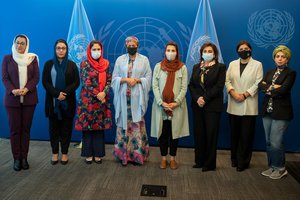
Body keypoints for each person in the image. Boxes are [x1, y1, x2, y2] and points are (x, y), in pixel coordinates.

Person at [111, 36, 152, 166]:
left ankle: (136, 156)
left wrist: (138, 80)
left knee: (136, 127)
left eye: (134, 44)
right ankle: (124, 156)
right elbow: (114, 79)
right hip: (123, 101)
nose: (131, 46)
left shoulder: (144, 60)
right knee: (123, 126)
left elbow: (148, 78)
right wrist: (125, 80)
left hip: (137, 100)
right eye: (129, 44)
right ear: (125, 45)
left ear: (138, 45)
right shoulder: (120, 60)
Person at [1, 34, 39, 171]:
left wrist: (27, 89)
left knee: (25, 130)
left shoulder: (32, 59)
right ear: (14, 43)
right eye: (17, 43)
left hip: (29, 99)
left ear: (27, 45)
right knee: (15, 130)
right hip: (12, 100)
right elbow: (5, 78)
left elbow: (36, 77)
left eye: (22, 43)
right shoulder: (7, 58)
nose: (19, 46)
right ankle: (16, 158)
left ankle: (24, 158)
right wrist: (14, 90)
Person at [259, 45, 296, 179]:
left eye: (283, 57)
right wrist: (274, 87)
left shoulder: (291, 73)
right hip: (267, 111)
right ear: (274, 58)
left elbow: (284, 90)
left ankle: (280, 168)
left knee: (276, 141)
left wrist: (268, 88)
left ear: (287, 59)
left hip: (282, 113)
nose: (280, 59)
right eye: (277, 56)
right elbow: (260, 86)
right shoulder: (269, 72)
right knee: (269, 141)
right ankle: (272, 167)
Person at [225, 40, 263, 172]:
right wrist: (233, 92)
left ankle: (243, 162)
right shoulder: (232, 64)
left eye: (246, 48)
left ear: (250, 50)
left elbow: (258, 83)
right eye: (241, 48)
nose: (243, 50)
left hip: (249, 105)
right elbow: (227, 80)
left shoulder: (257, 64)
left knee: (246, 136)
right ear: (237, 51)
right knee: (234, 134)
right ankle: (234, 159)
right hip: (234, 103)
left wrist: (245, 95)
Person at [151, 41, 189, 170]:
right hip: (161, 107)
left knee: (174, 134)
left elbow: (184, 87)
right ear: (165, 52)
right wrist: (161, 102)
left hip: (176, 108)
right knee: (163, 133)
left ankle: (172, 158)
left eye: (173, 51)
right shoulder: (158, 66)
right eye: (168, 50)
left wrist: (176, 102)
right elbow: (154, 86)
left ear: (177, 53)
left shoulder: (182, 67)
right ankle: (163, 158)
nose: (170, 53)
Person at [189, 42, 226, 171]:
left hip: (212, 106)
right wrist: (197, 98)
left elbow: (219, 86)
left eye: (210, 51)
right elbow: (192, 85)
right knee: (199, 134)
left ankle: (209, 164)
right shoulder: (196, 67)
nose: (207, 53)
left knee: (211, 135)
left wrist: (204, 98)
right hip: (197, 105)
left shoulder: (220, 67)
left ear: (215, 54)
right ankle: (199, 161)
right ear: (201, 53)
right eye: (205, 51)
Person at [42, 39, 80, 165]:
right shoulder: (48, 64)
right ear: (55, 49)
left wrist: (64, 93)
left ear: (67, 49)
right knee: (53, 129)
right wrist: (56, 94)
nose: (61, 50)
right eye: (58, 48)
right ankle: (54, 153)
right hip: (52, 103)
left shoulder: (72, 64)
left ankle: (64, 153)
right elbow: (45, 82)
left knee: (66, 129)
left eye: (63, 48)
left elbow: (76, 82)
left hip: (67, 103)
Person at [75, 40, 112, 164]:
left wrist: (104, 93)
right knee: (88, 128)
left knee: (99, 128)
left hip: (102, 101)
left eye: (98, 49)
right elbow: (86, 83)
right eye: (94, 49)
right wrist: (98, 93)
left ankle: (98, 154)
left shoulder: (106, 64)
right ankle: (88, 153)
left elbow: (109, 80)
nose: (97, 52)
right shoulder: (84, 64)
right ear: (89, 51)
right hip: (88, 101)